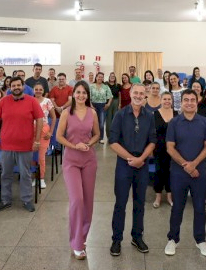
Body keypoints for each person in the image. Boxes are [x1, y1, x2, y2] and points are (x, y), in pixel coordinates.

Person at [164, 90, 206, 257]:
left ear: (197, 102)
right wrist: (186, 165)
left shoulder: (204, 121)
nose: (190, 103)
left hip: (199, 172)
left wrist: (194, 164)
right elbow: (170, 147)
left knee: (200, 206)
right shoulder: (174, 122)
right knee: (177, 206)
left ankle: (200, 240)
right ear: (181, 102)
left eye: (193, 100)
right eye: (186, 100)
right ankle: (173, 239)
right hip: (179, 172)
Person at [108, 83, 156, 256]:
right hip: (124, 164)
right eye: (135, 92)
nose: (138, 96)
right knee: (120, 203)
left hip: (142, 164)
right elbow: (113, 141)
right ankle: (116, 239)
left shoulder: (149, 116)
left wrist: (141, 159)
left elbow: (153, 141)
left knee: (139, 203)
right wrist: (130, 159)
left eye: (142, 93)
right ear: (130, 93)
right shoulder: (120, 115)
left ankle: (137, 237)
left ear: (145, 96)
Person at [56, 82, 101, 259]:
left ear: (88, 95)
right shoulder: (66, 113)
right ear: (73, 94)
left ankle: (82, 238)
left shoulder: (92, 113)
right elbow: (59, 136)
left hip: (89, 160)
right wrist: (75, 145)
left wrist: (89, 143)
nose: (81, 95)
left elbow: (97, 134)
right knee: (77, 200)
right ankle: (76, 242)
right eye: (78, 92)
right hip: (71, 161)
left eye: (84, 93)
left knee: (88, 202)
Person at [0, 77, 43, 213]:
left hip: (25, 146)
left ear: (23, 86)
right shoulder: (3, 101)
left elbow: (39, 120)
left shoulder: (32, 101)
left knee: (25, 174)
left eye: (18, 85)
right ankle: (5, 200)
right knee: (5, 174)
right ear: (10, 88)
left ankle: (26, 200)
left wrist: (37, 140)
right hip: (6, 145)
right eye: (13, 86)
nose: (16, 87)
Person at [33, 83, 53, 189]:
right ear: (33, 90)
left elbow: (53, 117)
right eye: (36, 89)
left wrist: (51, 132)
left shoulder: (47, 101)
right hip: (31, 130)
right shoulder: (30, 100)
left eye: (40, 89)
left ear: (43, 90)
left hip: (44, 130)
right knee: (32, 156)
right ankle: (34, 177)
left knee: (41, 156)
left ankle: (41, 178)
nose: (38, 91)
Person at [90, 72, 112, 142]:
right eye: (99, 77)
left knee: (101, 124)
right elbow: (88, 97)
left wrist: (108, 104)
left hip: (102, 106)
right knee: (92, 123)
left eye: (102, 77)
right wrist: (91, 105)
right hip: (93, 105)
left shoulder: (106, 86)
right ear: (96, 77)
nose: (100, 78)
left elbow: (110, 96)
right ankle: (93, 137)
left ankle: (101, 138)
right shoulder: (91, 86)